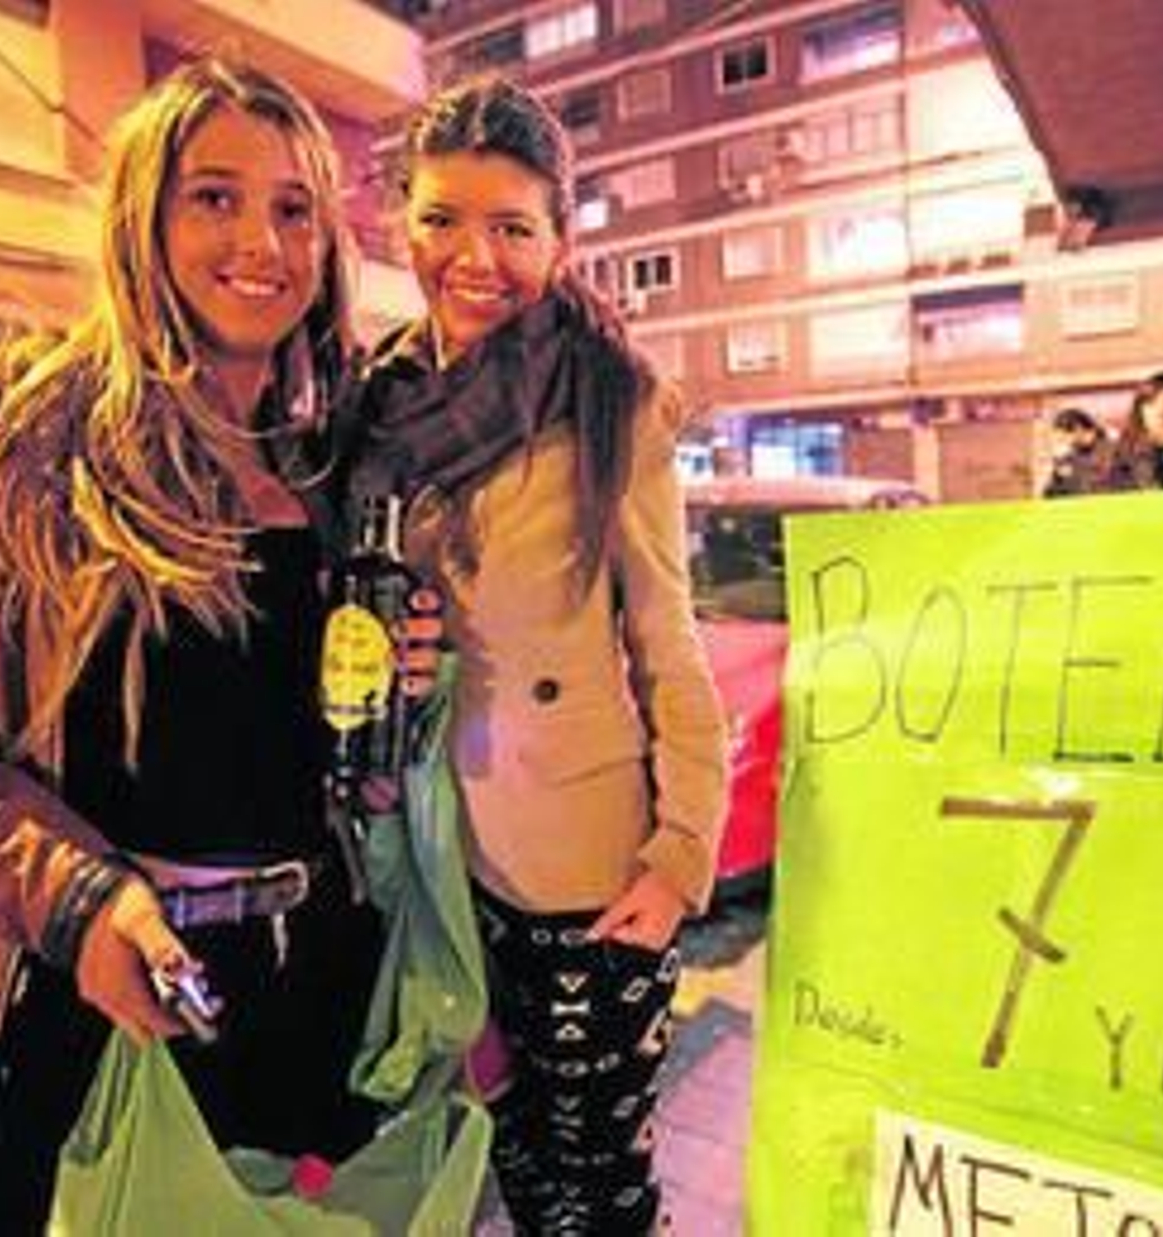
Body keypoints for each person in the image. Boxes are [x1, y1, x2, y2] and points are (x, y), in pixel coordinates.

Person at [0, 57, 430, 1233]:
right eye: (213, 197)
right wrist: (71, 897)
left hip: (307, 996)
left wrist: (399, 693)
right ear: (140, 215)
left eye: (294, 208)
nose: (263, 244)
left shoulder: (326, 470)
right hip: (77, 1008)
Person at [343, 74, 728, 1235]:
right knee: (501, 1139)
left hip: (581, 867)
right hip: (430, 847)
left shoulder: (610, 398)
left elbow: (668, 634)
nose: (477, 256)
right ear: (400, 223)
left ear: (559, 236)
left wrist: (680, 856)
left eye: (513, 227)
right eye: (443, 218)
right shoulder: (373, 401)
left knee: (596, 1168)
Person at [1041, 406, 1115, 497]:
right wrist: (1057, 476)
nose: (1062, 441)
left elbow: (1103, 484)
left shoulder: (1111, 450)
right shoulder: (1068, 458)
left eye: (1063, 436)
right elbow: (1050, 494)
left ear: (1078, 428)